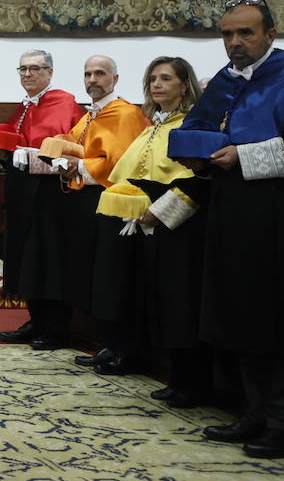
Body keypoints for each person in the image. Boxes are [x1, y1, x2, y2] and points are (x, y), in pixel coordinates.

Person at [176, 0, 284, 458]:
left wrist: (243, 156)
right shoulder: (224, 81)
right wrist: (197, 159)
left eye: (245, 33)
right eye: (227, 34)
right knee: (242, 313)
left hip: (280, 218)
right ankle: (255, 410)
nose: (235, 43)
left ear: (271, 35)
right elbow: (210, 133)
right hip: (232, 214)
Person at [86, 56, 211, 405]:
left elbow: (194, 182)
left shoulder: (192, 124)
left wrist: (159, 213)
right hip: (145, 222)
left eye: (166, 79)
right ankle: (175, 376)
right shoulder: (153, 124)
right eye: (153, 79)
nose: (157, 85)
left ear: (185, 85)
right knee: (157, 299)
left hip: (178, 224)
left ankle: (193, 382)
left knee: (180, 303)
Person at [23, 56, 147, 353]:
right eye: (88, 74)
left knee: (103, 272)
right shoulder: (91, 113)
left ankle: (110, 342)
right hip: (80, 197)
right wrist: (61, 156)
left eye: (100, 74)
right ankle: (78, 332)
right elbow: (77, 143)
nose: (92, 80)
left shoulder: (124, 113)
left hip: (105, 199)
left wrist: (77, 166)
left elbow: (119, 162)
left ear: (115, 79)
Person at [0, 50, 84, 346]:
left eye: (34, 69)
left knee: (49, 258)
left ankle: (57, 327)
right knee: (25, 256)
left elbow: (69, 148)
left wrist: (28, 154)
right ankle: (36, 320)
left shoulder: (64, 102)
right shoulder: (25, 106)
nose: (27, 74)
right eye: (22, 69)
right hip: (23, 192)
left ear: (49, 73)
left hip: (51, 195)